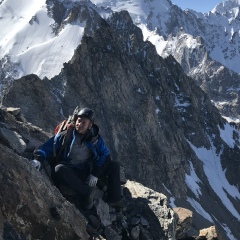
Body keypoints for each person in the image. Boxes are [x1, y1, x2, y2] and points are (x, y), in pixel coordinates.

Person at [31, 107, 126, 210]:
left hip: (88, 169)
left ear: (90, 125)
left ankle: (114, 199)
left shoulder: (95, 138)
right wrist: (38, 159)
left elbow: (106, 155)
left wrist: (95, 174)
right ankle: (86, 192)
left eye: (84, 123)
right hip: (72, 170)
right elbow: (47, 147)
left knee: (114, 165)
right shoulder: (66, 135)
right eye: (79, 121)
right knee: (59, 169)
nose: (80, 124)